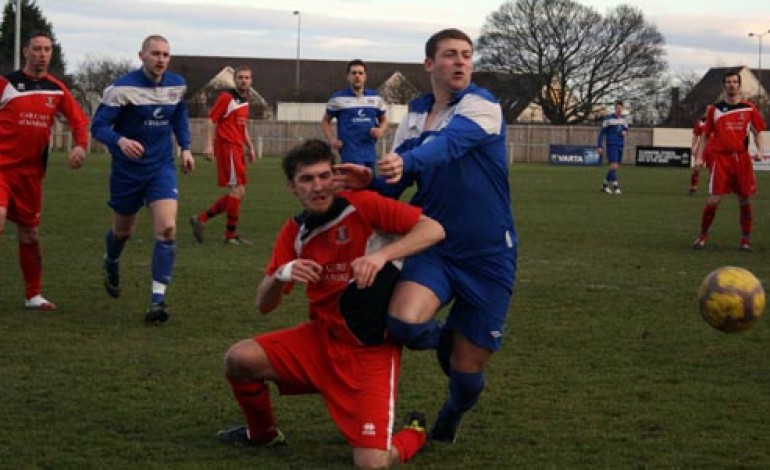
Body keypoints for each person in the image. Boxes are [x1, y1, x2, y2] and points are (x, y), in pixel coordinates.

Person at [336, 28, 518, 445]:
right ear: (429, 64)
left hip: (489, 254)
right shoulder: (415, 113)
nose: (461, 62)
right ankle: (445, 337)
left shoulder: (482, 105)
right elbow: (394, 185)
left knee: (468, 373)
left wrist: (406, 159)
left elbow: (447, 147)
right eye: (451, 54)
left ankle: (451, 417)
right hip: (433, 244)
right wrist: (366, 179)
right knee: (402, 322)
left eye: (467, 55)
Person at [217, 139, 444, 469]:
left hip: (369, 354)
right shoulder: (293, 232)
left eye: (324, 176)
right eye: (307, 179)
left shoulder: (363, 206)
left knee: (371, 463)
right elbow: (264, 305)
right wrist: (282, 273)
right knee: (238, 359)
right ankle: (262, 434)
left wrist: (381, 256)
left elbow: (434, 229)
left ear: (335, 177)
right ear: (292, 188)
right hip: (321, 342)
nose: (318, 187)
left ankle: (414, 431)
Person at [91, 34, 195, 323]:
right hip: (127, 171)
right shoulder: (121, 88)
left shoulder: (177, 84)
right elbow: (98, 126)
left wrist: (185, 148)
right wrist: (120, 140)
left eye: (165, 54)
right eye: (155, 53)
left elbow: (179, 116)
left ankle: (157, 301)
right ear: (142, 55)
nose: (160, 59)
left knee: (168, 229)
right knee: (123, 232)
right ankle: (111, 259)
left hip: (160, 168)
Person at [0, 31, 89, 311]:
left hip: (31, 174)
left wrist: (81, 147)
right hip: (1, 168)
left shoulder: (56, 89)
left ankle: (33, 295)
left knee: (30, 235)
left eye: (47, 49)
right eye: (37, 49)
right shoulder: (6, 84)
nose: (42, 54)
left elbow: (79, 122)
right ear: (25, 51)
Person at [692, 70, 765, 251]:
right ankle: (702, 236)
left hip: (741, 159)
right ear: (724, 86)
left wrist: (761, 151)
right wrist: (700, 157)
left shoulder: (749, 108)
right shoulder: (715, 110)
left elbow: (758, 133)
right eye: (728, 82)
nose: (732, 85)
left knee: (744, 200)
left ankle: (745, 240)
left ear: (739, 85)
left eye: (735, 82)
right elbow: (706, 136)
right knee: (714, 200)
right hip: (721, 160)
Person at [190, 66, 256, 245]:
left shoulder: (245, 100)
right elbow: (211, 119)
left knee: (240, 192)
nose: (244, 80)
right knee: (236, 190)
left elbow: (242, 127)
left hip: (237, 148)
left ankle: (201, 219)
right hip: (227, 147)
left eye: (247, 78)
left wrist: (250, 147)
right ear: (235, 80)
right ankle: (229, 235)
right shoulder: (227, 97)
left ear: (251, 80)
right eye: (240, 77)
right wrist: (208, 145)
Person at [321, 59, 388, 171]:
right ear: (348, 76)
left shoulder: (376, 98)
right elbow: (325, 121)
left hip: (369, 154)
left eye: (360, 73)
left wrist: (380, 130)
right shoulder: (338, 98)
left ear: (365, 76)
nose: (357, 76)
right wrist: (332, 139)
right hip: (349, 154)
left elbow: (384, 120)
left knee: (370, 187)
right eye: (354, 73)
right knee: (351, 188)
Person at [597, 100, 629, 195]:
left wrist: (625, 132)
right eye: (617, 108)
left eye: (620, 108)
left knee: (615, 167)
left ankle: (604, 185)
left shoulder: (624, 119)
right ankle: (616, 187)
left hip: (620, 145)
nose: (619, 110)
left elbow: (626, 128)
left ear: (622, 109)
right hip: (611, 144)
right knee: (614, 165)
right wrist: (599, 146)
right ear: (615, 108)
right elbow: (602, 133)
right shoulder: (608, 119)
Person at [688, 114, 708, 194]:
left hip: (714, 149)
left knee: (713, 171)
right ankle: (693, 187)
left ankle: (714, 189)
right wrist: (693, 147)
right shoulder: (700, 122)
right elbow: (696, 136)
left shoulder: (718, 120)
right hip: (701, 149)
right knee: (697, 168)